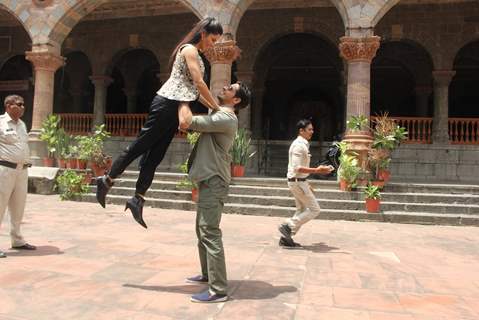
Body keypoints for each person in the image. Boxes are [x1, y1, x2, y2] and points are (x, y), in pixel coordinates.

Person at [96, 17, 223, 228]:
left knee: (154, 156)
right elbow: (199, 82)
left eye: (216, 40)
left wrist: (212, 106)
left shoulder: (197, 54)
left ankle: (137, 199)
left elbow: (194, 90)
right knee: (140, 146)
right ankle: (107, 179)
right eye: (212, 38)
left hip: (174, 108)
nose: (213, 43)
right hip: (166, 104)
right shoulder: (190, 50)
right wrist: (216, 108)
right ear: (203, 34)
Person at [185, 82, 251, 303]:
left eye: (231, 88)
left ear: (236, 100)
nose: (225, 86)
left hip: (214, 182)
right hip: (209, 180)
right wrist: (189, 87)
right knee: (201, 230)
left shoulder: (225, 118)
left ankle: (218, 290)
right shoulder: (220, 113)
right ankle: (207, 274)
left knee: (209, 232)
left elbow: (187, 121)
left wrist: (181, 100)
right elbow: (206, 98)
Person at [278, 119, 334, 248]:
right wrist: (318, 170)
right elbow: (297, 168)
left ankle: (286, 238)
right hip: (297, 182)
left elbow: (299, 170)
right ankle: (288, 225)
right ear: (301, 131)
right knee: (315, 209)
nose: (312, 132)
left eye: (312, 129)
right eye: (309, 129)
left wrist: (307, 182)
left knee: (302, 209)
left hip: (299, 182)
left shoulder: (303, 144)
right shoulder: (299, 145)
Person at [0, 95, 36, 258]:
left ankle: (17, 239)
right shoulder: (1, 122)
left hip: (22, 171)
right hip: (5, 170)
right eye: (19, 104)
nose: (22, 107)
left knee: (18, 207)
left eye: (23, 105)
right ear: (8, 105)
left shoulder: (22, 124)